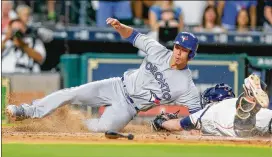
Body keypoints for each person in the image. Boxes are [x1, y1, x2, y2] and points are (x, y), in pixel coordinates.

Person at [6, 17, 201, 133]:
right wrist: (120, 27)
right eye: (177, 46)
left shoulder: (186, 85)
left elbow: (197, 115)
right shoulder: (158, 50)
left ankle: (72, 121)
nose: (178, 52)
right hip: (117, 86)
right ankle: (27, 111)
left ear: (190, 55)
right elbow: (133, 35)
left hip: (129, 108)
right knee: (72, 93)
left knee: (100, 129)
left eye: (183, 50)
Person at [151, 74, 271, 137]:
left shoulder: (210, 109)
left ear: (211, 100)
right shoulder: (232, 102)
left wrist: (162, 122)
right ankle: (251, 102)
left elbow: (178, 125)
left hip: (236, 126)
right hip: (265, 117)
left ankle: (249, 99)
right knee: (266, 126)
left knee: (242, 128)